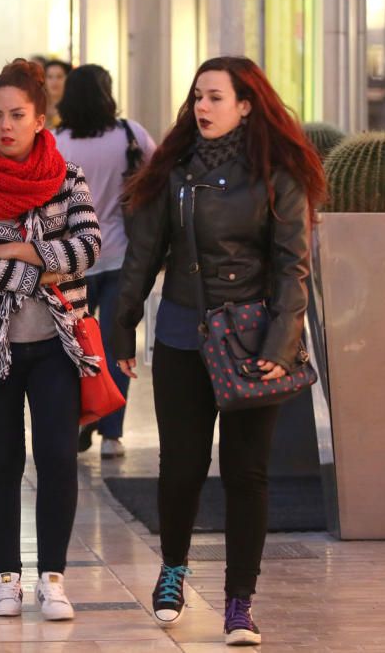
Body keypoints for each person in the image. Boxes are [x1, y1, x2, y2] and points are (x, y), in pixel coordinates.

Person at [112, 56, 324, 646]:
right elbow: (143, 255)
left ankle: (239, 602)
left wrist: (283, 343)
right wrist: (122, 325)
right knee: (180, 466)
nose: (201, 107)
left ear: (246, 104)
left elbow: (292, 266)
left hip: (253, 341)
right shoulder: (172, 168)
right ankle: (173, 570)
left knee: (246, 473)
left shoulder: (277, 171)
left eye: (214, 97)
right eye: (197, 97)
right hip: (183, 334)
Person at [0, 59, 101, 621]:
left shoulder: (68, 177)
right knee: (1, 461)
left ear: (40, 118)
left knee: (58, 458)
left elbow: (89, 248)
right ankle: (6, 578)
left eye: (16, 115)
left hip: (58, 343)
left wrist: (12, 251)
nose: (4, 126)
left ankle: (53, 578)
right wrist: (42, 266)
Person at [53, 64, 157, 459]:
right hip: (119, 256)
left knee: (72, 348)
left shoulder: (55, 141)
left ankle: (80, 419)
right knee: (117, 348)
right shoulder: (129, 134)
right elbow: (161, 170)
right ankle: (112, 433)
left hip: (67, 262)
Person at [43, 60, 71, 129]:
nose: (54, 81)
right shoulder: (36, 106)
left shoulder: (73, 107)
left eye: (59, 76)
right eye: (49, 77)